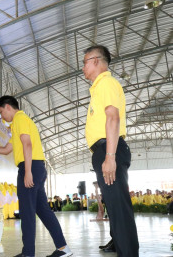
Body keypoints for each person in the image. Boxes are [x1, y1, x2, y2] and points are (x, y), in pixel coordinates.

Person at [0, 96, 72, 257]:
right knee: (43, 211)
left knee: (27, 212)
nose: (1, 117)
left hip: (31, 166)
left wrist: (27, 172)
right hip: (37, 167)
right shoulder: (19, 123)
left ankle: (28, 253)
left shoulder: (19, 119)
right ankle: (63, 249)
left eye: (1, 112)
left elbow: (27, 144)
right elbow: (7, 149)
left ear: (7, 107)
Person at [82, 45, 139, 256]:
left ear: (96, 60)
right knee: (115, 210)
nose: (83, 67)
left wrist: (110, 156)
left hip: (109, 148)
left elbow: (112, 118)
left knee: (120, 211)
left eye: (85, 61)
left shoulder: (105, 83)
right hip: (106, 149)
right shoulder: (99, 87)